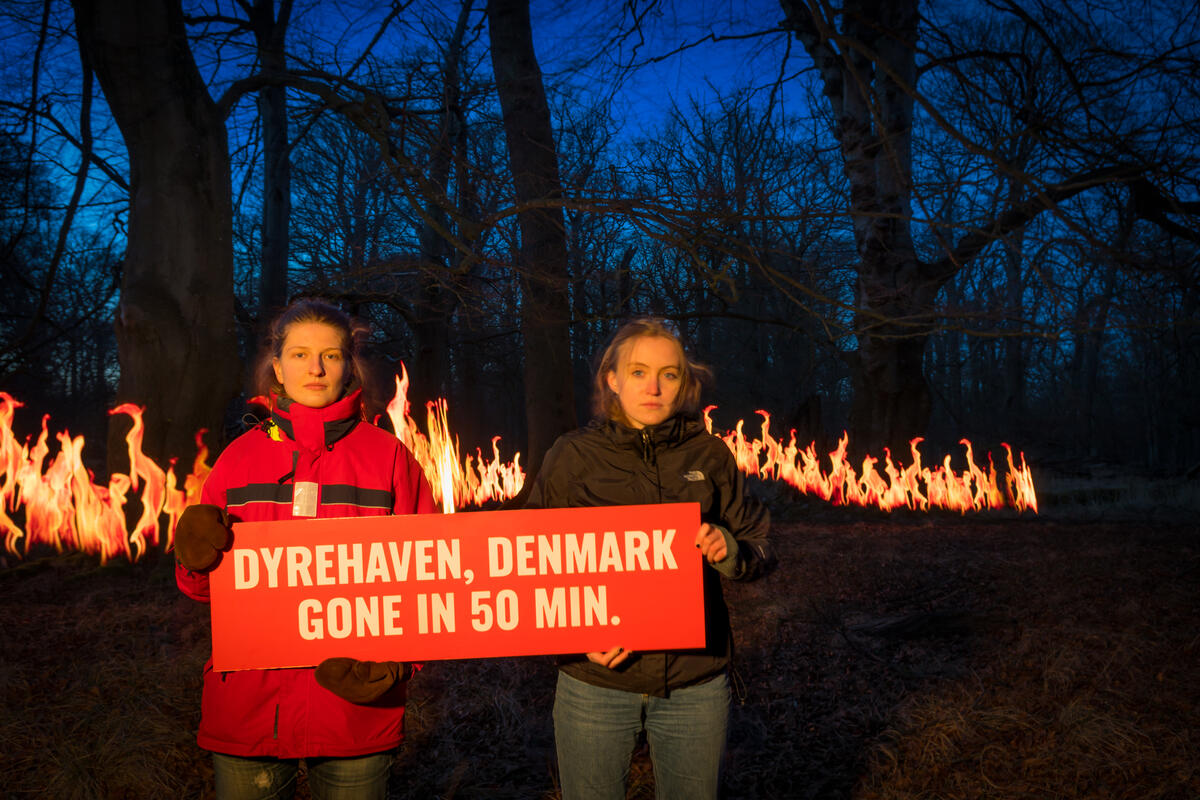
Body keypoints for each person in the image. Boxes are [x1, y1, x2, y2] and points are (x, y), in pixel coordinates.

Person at [174, 298, 436, 800]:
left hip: (354, 709)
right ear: (277, 367)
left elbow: (430, 577)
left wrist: (402, 664)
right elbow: (203, 588)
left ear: (348, 365)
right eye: (299, 354)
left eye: (331, 355)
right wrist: (192, 558)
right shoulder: (237, 459)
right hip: (250, 707)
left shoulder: (389, 458)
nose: (315, 368)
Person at [524, 318, 775, 800]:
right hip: (595, 682)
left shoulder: (711, 455)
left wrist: (729, 550)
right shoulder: (572, 455)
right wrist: (575, 636)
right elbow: (529, 563)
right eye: (638, 372)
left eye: (670, 374)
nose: (654, 387)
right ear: (612, 379)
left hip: (694, 683)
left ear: (685, 383)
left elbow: (759, 545)